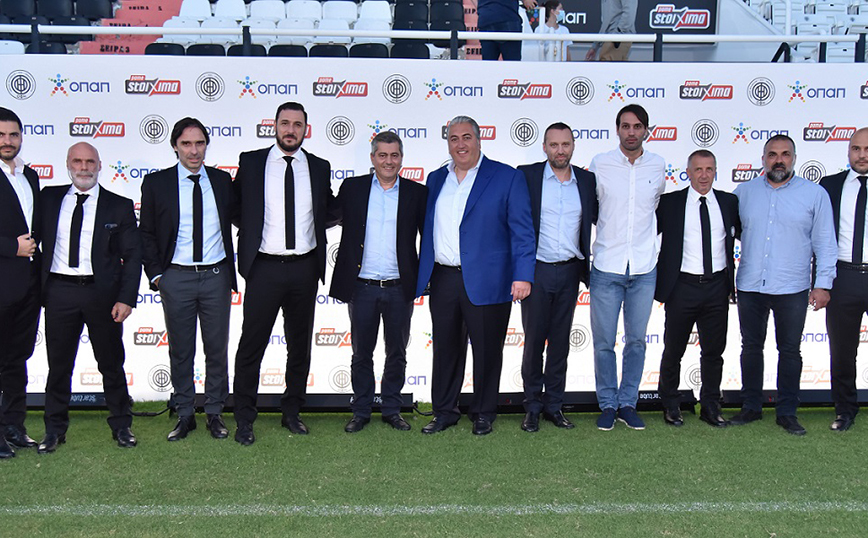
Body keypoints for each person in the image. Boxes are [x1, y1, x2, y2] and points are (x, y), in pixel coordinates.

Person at [416, 116, 535, 435]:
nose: (461, 144)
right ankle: (444, 411)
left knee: (487, 350)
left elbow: (522, 231)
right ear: (448, 144)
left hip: (490, 278)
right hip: (443, 278)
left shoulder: (507, 177)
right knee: (445, 349)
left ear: (479, 140)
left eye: (466, 137)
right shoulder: (436, 179)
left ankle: (483, 412)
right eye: (454, 138)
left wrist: (523, 275)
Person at [232, 102, 335, 446]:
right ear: (274, 126)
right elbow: (236, 206)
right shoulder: (251, 162)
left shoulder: (319, 167)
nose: (291, 130)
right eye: (285, 123)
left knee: (299, 347)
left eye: (297, 124)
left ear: (306, 129)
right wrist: (252, 233)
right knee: (251, 345)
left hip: (304, 267)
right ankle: (244, 418)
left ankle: (292, 412)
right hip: (263, 267)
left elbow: (327, 209)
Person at [37, 142, 141, 453]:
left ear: (99, 165)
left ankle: (121, 426)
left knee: (111, 363)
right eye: (77, 161)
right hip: (59, 291)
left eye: (90, 162)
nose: (84, 168)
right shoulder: (49, 198)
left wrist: (126, 298)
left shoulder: (118, 205)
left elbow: (132, 256)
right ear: (68, 164)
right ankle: (54, 430)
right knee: (59, 366)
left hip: (102, 294)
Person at [731, 134, 837, 435]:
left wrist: (823, 284)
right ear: (763, 159)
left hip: (793, 286)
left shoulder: (814, 195)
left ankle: (787, 412)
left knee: (789, 351)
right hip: (751, 284)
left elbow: (825, 243)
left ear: (794, 158)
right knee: (751, 347)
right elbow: (728, 233)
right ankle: (751, 407)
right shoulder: (744, 193)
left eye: (785, 154)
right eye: (773, 155)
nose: (779, 160)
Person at [140, 118, 237, 442]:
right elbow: (146, 233)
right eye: (186, 144)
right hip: (176, 277)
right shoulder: (156, 184)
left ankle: (214, 412)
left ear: (207, 145)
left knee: (216, 349)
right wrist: (158, 276)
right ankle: (184, 414)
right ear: (175, 147)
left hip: (215, 276)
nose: (194, 151)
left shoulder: (222, 181)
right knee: (181, 350)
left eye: (199, 143)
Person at [329, 132, 427, 433]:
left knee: (397, 352)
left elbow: (429, 238)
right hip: (362, 287)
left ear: (402, 158)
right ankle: (360, 411)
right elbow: (328, 216)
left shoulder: (416, 193)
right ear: (373, 158)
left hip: (400, 287)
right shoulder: (353, 188)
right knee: (361, 353)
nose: (388, 161)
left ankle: (392, 409)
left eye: (394, 155)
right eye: (382, 155)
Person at [589, 104, 665, 431]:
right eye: (625, 126)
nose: (631, 132)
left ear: (646, 130)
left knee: (636, 342)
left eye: (637, 126)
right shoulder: (600, 164)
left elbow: (656, 208)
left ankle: (628, 403)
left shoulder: (658, 165)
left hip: (644, 268)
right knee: (604, 343)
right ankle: (608, 404)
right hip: (607, 266)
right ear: (617, 129)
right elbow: (593, 209)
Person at [516, 122, 596, 432]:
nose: (560, 150)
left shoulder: (586, 181)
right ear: (544, 147)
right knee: (534, 342)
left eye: (565, 144)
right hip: (536, 271)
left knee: (561, 343)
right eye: (554, 145)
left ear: (573, 146)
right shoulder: (527, 176)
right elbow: (516, 223)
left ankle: (554, 406)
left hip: (570, 271)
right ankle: (532, 407)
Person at [655, 150, 740, 428]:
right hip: (682, 287)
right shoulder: (670, 203)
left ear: (716, 172)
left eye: (709, 169)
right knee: (673, 350)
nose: (704, 175)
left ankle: (711, 406)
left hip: (717, 287)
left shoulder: (728, 202)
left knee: (714, 352)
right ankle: (670, 403)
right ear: (688, 173)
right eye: (698, 169)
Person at [820, 127, 868, 432]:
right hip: (843, 277)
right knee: (842, 351)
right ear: (848, 151)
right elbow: (819, 236)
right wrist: (821, 281)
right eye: (856, 149)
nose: (862, 155)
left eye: (867, 149)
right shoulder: (830, 186)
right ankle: (845, 410)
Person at [0, 107, 41, 459]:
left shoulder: (30, 176)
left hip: (28, 285)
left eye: (13, 134)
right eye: (1, 135)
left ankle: (13, 425)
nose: (7, 141)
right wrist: (10, 247)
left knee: (18, 359)